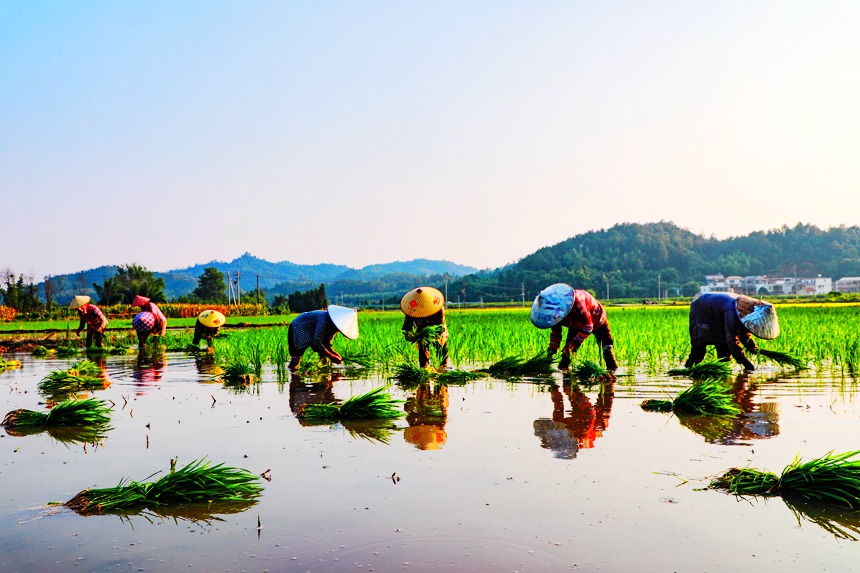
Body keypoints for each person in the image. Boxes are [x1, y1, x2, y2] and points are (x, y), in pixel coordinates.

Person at [530, 283, 618, 371]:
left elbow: (588, 326)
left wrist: (572, 344)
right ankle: (565, 374)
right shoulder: (553, 313)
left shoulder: (577, 302)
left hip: (597, 318)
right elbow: (556, 332)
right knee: (566, 355)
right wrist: (552, 349)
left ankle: (612, 372)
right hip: (575, 324)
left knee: (607, 348)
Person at [684, 292, 780, 371]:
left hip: (717, 313)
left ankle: (722, 380)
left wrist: (753, 347)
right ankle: (688, 370)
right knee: (698, 351)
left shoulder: (741, 312)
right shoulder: (731, 311)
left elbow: (742, 332)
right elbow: (732, 339)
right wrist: (746, 363)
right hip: (701, 308)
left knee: (724, 356)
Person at [287, 305, 359, 370]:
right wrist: (331, 356)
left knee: (324, 356)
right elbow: (316, 342)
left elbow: (327, 343)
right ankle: (293, 376)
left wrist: (335, 354)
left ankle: (323, 377)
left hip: (311, 331)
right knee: (295, 360)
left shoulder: (334, 327)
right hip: (298, 327)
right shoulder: (324, 320)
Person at [400, 287, 449, 369]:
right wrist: (411, 336)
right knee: (423, 352)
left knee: (441, 349)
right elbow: (406, 327)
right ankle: (425, 368)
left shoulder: (437, 308)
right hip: (421, 332)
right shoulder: (412, 310)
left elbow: (441, 325)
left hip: (436, 330)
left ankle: (444, 367)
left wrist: (435, 334)